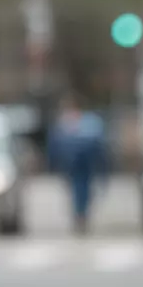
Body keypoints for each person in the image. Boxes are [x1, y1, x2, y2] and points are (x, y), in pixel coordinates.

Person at [47, 93, 106, 234]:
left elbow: (97, 144)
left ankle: (81, 215)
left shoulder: (87, 121)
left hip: (83, 163)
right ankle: (79, 215)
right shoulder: (66, 121)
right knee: (76, 190)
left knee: (82, 190)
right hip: (72, 164)